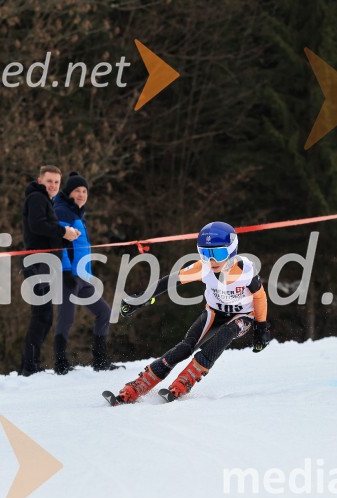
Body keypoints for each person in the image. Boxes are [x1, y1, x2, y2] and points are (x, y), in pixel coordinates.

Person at [103, 221, 272, 404]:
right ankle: (139, 385)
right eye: (205, 253)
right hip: (215, 312)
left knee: (226, 333)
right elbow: (170, 281)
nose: (212, 260)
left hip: (243, 316)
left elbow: (260, 296)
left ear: (232, 251)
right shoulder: (203, 267)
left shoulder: (245, 269)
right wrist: (141, 298)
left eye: (218, 253)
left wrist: (261, 328)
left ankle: (184, 382)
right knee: (185, 347)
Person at [53, 172, 122, 373]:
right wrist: (66, 270)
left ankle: (100, 360)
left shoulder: (77, 214)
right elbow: (60, 244)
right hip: (68, 275)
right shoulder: (62, 212)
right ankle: (60, 363)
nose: (82, 194)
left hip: (82, 276)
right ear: (69, 193)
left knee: (103, 312)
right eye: (77, 191)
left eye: (84, 191)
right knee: (66, 318)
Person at [20, 165, 81, 376]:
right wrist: (64, 231)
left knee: (44, 316)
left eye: (56, 182)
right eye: (49, 181)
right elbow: (38, 226)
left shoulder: (46, 200)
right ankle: (29, 367)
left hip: (45, 262)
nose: (53, 185)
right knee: (41, 316)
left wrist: (66, 237)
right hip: (38, 263)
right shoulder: (36, 199)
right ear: (40, 181)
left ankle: (29, 365)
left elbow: (46, 234)